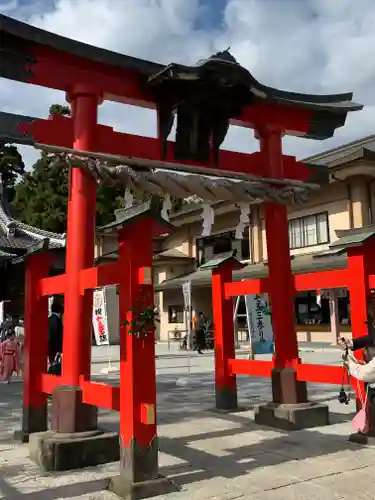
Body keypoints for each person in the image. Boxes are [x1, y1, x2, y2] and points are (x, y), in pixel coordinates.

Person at [48, 297, 64, 366]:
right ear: (60, 311)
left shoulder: (49, 319)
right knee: (55, 366)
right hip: (55, 349)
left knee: (51, 365)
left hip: (49, 347)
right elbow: (58, 336)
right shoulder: (57, 321)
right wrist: (60, 350)